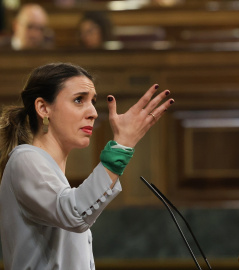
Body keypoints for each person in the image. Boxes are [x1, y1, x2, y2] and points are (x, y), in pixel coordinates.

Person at [0, 62, 174, 269]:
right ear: (43, 108)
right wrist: (120, 148)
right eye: (79, 100)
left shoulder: (47, 169)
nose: (93, 112)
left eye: (92, 101)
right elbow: (75, 214)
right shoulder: (24, 158)